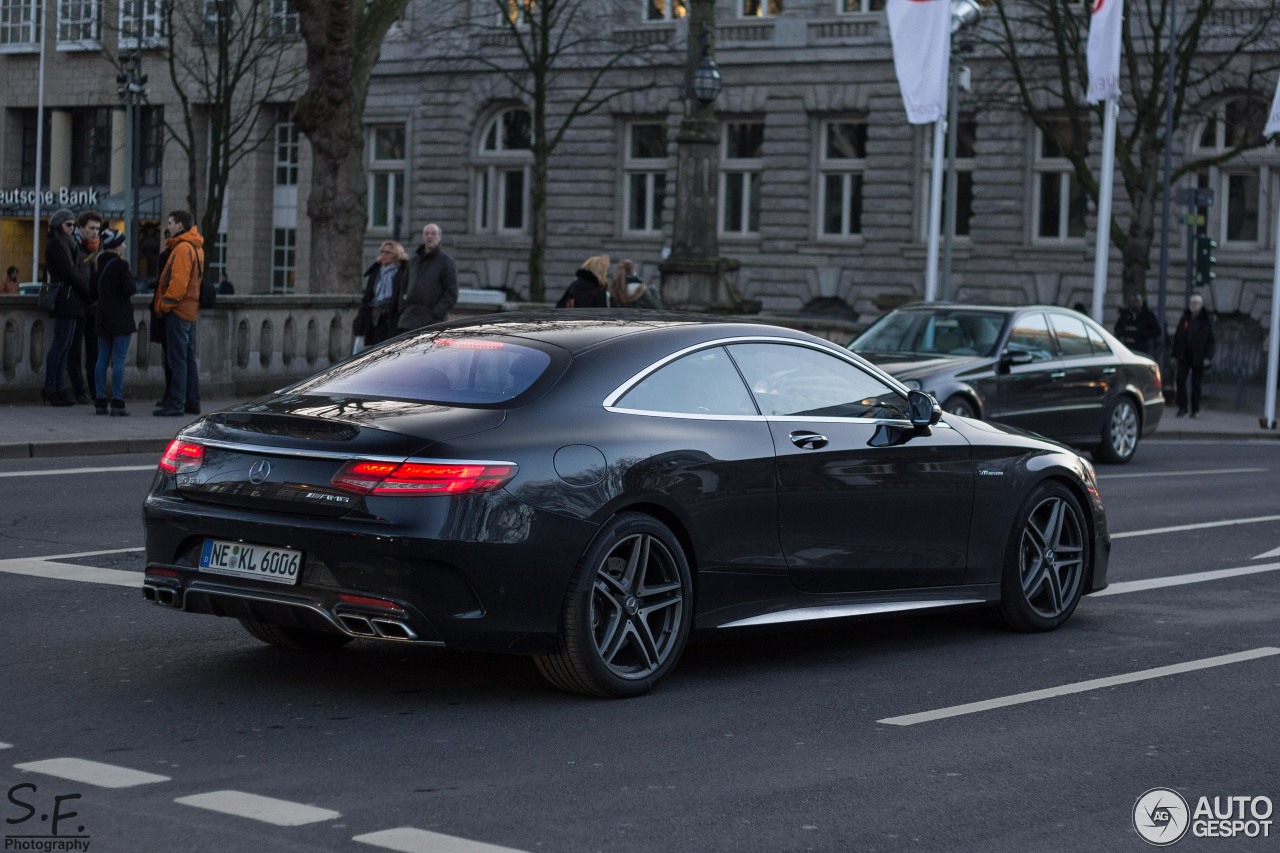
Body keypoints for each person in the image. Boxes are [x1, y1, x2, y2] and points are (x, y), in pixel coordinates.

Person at [152, 210, 205, 417]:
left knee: (177, 360)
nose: (168, 226)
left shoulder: (183, 248)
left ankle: (175, 404)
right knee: (188, 359)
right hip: (189, 309)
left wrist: (164, 305)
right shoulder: (195, 247)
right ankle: (192, 402)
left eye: (171, 222)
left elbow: (178, 284)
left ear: (181, 226)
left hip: (178, 310)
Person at [41, 208, 91, 407]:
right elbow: (68, 273)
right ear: (59, 225)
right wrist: (86, 291)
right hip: (65, 297)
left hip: (72, 298)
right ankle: (51, 388)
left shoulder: (69, 244)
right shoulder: (55, 244)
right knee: (60, 345)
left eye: (73, 225)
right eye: (68, 224)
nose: (72, 228)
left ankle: (59, 389)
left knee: (65, 346)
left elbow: (74, 270)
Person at [93, 229, 136, 416]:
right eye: (123, 243)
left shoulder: (97, 263)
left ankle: (100, 400)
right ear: (117, 246)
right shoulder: (121, 265)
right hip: (120, 319)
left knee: (101, 359)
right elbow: (129, 289)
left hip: (103, 317)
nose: (124, 246)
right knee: (118, 360)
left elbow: (92, 291)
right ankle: (117, 401)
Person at [66, 210, 103, 404]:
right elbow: (74, 276)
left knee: (94, 352)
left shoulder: (98, 249)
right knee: (75, 351)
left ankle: (96, 391)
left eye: (97, 228)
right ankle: (80, 391)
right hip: (79, 305)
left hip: (94, 306)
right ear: (81, 228)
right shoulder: (75, 247)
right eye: (91, 228)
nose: (95, 232)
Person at [397, 223, 458, 332]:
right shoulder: (413, 261)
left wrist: (436, 313)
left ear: (439, 237)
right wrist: (403, 308)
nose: (429, 236)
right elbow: (403, 286)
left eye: (433, 234)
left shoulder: (446, 262)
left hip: (432, 322)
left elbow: (451, 293)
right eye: (426, 234)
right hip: (408, 320)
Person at [354, 240, 408, 349]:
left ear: (396, 255)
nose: (383, 255)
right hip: (375, 318)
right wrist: (360, 320)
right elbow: (368, 297)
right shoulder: (376, 271)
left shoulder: (403, 272)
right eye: (382, 252)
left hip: (393, 318)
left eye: (388, 252)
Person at [1172, 292, 1215, 418]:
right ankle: (1182, 407)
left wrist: (1208, 357)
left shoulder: (1206, 321)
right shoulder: (1185, 318)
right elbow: (1178, 336)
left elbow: (1211, 341)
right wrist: (1175, 354)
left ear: (1201, 305)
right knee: (1180, 380)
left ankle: (1195, 409)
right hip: (1184, 355)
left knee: (1196, 384)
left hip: (1199, 356)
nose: (1194, 305)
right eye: (1192, 303)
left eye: (1196, 303)